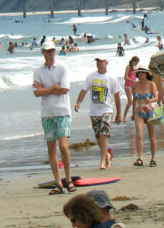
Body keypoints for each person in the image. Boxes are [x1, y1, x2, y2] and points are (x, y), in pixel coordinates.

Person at [33, 40, 75, 194]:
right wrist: (52, 87)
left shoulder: (63, 68)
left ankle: (69, 180)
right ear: (43, 53)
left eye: (52, 51)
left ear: (54, 52)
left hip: (62, 111)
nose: (50, 54)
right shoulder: (38, 71)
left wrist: (45, 90)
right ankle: (58, 183)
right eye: (47, 51)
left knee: (63, 146)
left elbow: (64, 89)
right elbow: (36, 92)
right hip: (47, 113)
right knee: (51, 147)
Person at [75, 58, 122, 169]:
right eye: (97, 61)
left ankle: (102, 162)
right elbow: (84, 90)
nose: (99, 63)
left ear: (106, 63)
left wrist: (119, 114)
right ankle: (107, 156)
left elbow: (117, 97)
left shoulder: (112, 78)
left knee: (103, 135)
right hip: (94, 111)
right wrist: (78, 102)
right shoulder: (91, 76)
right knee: (98, 138)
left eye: (101, 61)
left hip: (107, 110)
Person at [130, 63, 159, 167]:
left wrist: (150, 100)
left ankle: (153, 159)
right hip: (139, 112)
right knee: (139, 135)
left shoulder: (152, 84)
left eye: (143, 72)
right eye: (139, 73)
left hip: (150, 111)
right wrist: (133, 113)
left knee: (152, 136)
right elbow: (134, 100)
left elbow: (156, 97)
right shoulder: (135, 85)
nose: (141, 74)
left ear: (147, 74)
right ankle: (140, 158)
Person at [120, 57, 139, 123]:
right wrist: (132, 80)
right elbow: (125, 77)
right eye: (136, 62)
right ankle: (124, 117)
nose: (137, 64)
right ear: (133, 61)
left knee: (135, 100)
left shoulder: (135, 67)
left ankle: (133, 115)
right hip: (128, 85)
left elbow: (135, 76)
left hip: (134, 85)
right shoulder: (128, 66)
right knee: (130, 101)